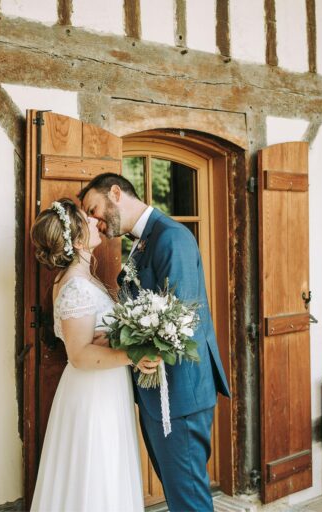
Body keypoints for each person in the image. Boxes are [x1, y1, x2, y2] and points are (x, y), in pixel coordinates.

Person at [80, 174, 231, 512]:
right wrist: (118, 333)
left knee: (189, 501)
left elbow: (179, 318)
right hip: (157, 396)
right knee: (179, 498)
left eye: (94, 210)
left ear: (116, 193)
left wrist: (127, 345)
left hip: (179, 395)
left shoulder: (172, 237)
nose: (95, 222)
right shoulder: (143, 240)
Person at [29, 198, 157, 512]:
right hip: (92, 393)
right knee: (94, 473)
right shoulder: (75, 286)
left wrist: (116, 336)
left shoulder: (83, 280)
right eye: (86, 218)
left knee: (107, 471)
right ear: (77, 241)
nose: (93, 219)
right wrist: (132, 354)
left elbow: (92, 340)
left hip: (105, 388)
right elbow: (79, 355)